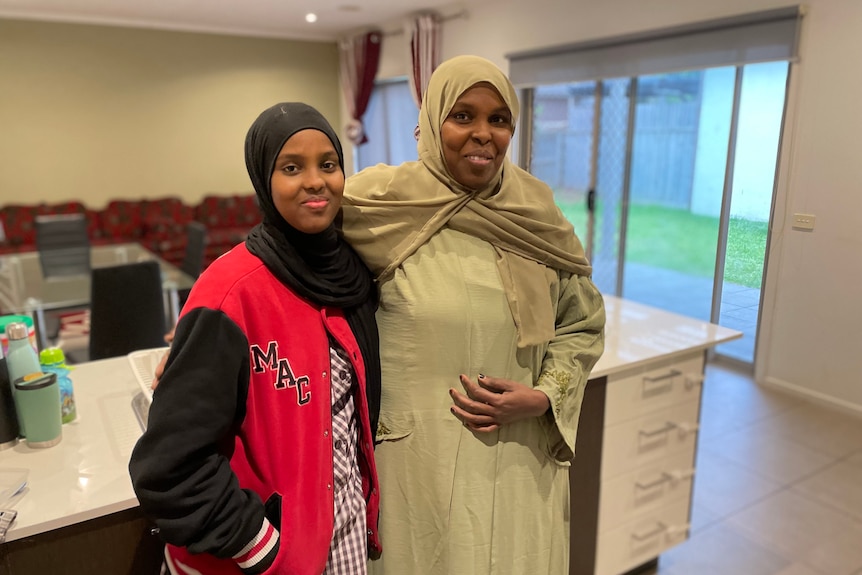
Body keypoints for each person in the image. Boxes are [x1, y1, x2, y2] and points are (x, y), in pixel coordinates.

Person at [339, 55, 606, 574]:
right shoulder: (375, 207)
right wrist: (214, 333)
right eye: (463, 116)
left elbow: (582, 322)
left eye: (498, 119)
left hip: (519, 464)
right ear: (433, 122)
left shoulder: (536, 216)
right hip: (417, 466)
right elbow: (280, 266)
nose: (483, 134)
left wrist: (545, 394)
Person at [129, 102, 382, 575]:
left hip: (343, 543)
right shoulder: (230, 291)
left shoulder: (355, 277)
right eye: (292, 167)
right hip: (261, 559)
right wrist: (260, 545)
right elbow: (167, 466)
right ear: (263, 178)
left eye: (328, 165)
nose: (315, 181)